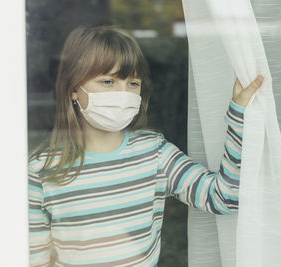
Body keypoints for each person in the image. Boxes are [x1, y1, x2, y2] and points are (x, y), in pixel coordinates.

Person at [28, 24, 264, 267]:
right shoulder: (41, 170)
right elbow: (35, 258)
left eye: (133, 84)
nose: (124, 94)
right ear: (74, 90)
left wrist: (239, 113)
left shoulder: (155, 153)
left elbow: (224, 197)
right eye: (108, 82)